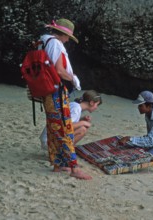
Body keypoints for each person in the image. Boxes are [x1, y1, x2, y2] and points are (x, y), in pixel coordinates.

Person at [40, 18, 91, 180]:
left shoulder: (43, 42)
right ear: (62, 33)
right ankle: (73, 167)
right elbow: (59, 71)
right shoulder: (55, 44)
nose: (68, 39)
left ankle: (58, 165)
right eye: (68, 36)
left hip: (46, 91)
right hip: (56, 91)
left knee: (53, 128)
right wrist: (73, 78)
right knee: (65, 128)